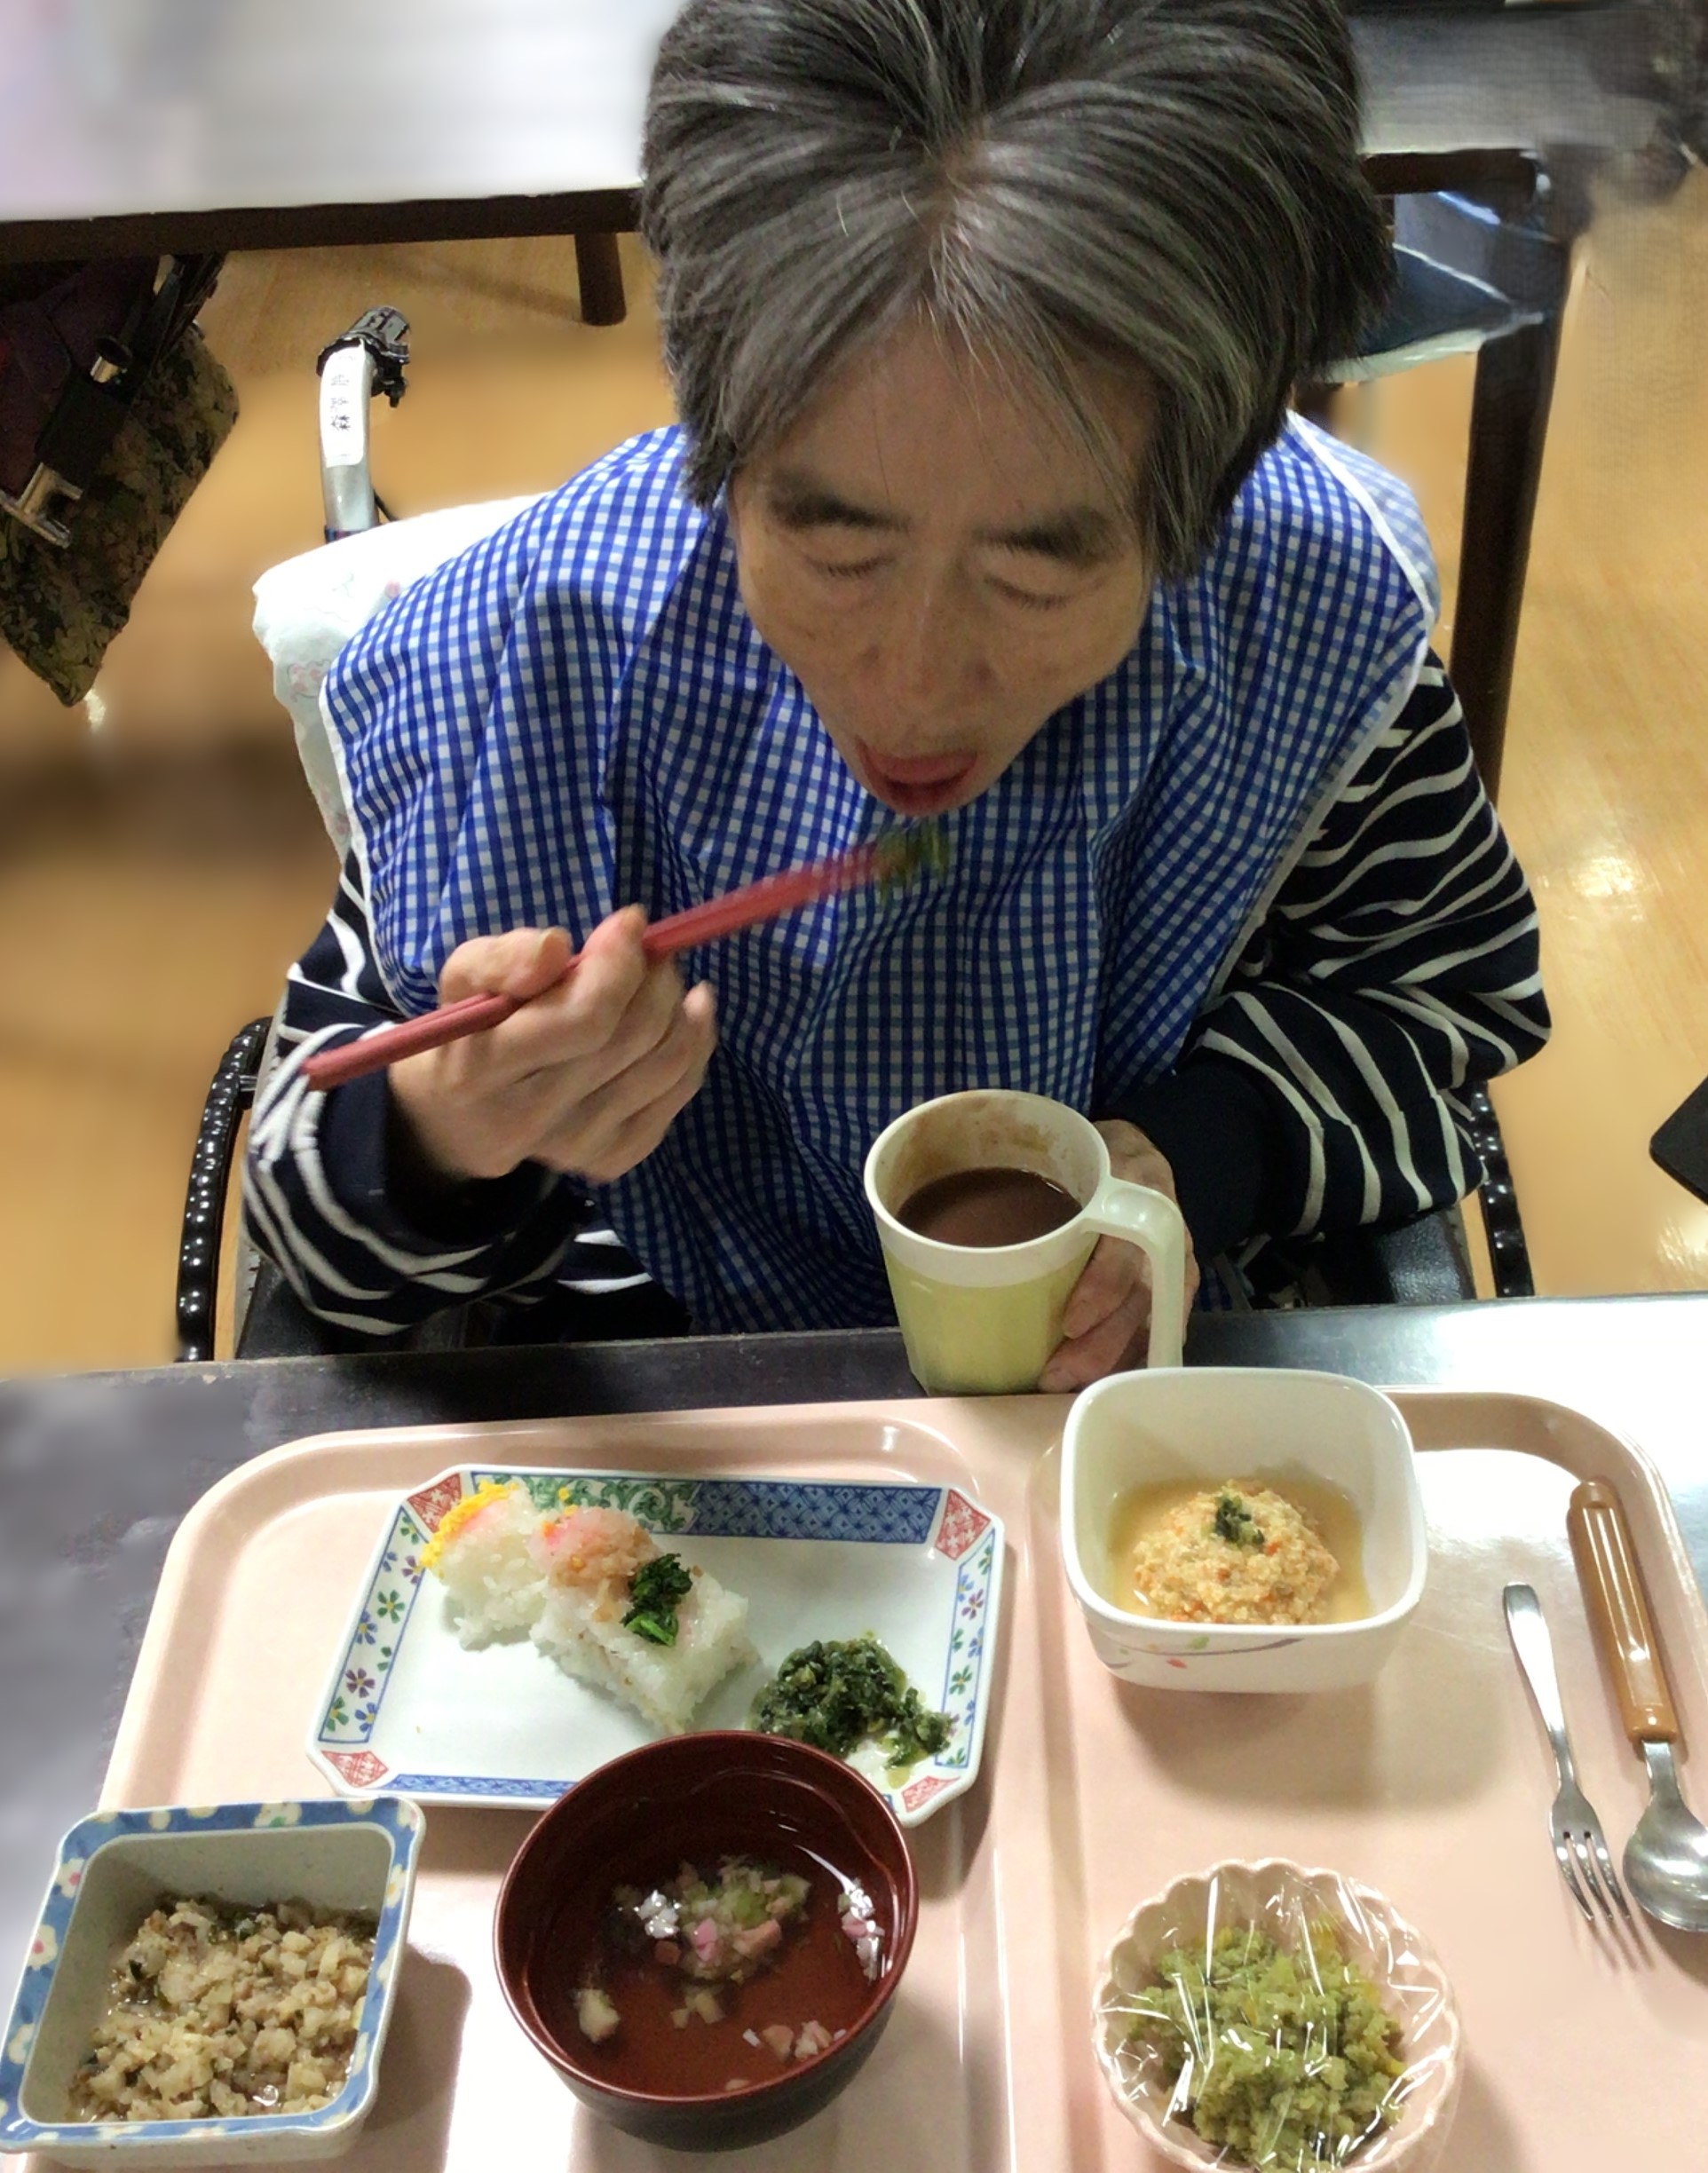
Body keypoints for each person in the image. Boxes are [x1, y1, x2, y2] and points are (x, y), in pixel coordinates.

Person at [248, 0, 1548, 1383]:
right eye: (836, 548)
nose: (915, 690)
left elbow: (1439, 1009)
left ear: (1198, 503)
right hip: (654, 1398)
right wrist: (449, 1135)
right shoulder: (541, 647)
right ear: (718, 437)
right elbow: (310, 1224)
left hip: (1120, 1395)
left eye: (1039, 569)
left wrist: (1197, 1157)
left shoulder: (1295, 621)